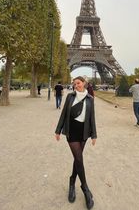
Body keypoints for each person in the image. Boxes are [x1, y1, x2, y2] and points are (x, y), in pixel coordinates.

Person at [55, 76, 97, 210]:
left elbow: (92, 117)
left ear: (84, 83)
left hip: (84, 132)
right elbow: (64, 113)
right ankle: (85, 189)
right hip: (72, 130)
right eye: (74, 84)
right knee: (79, 158)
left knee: (77, 160)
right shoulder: (70, 97)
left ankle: (72, 181)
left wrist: (94, 134)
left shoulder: (90, 99)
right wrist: (58, 130)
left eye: (78, 83)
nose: (76, 85)